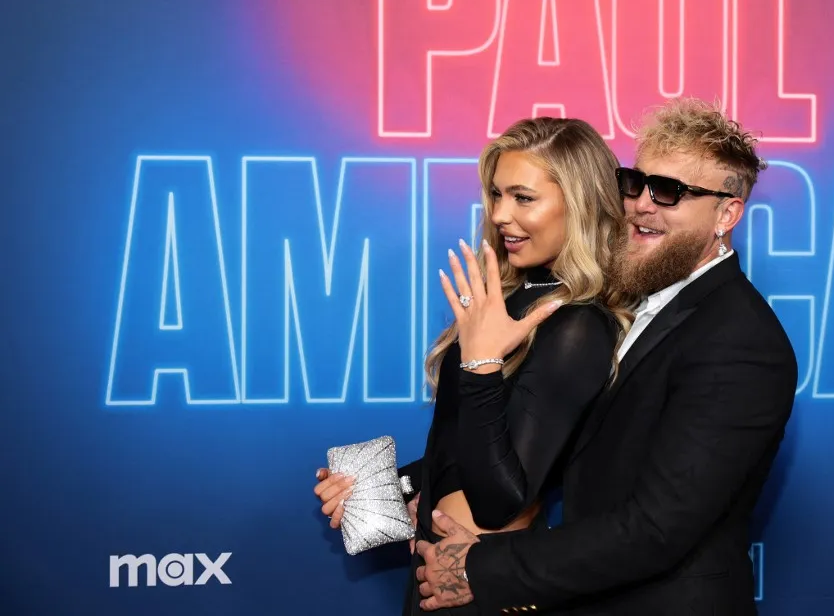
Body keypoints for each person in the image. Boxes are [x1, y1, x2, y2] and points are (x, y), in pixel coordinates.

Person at [414, 98, 799, 615]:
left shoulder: (741, 342)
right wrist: (400, 487)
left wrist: (481, 567)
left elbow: (656, 528)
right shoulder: (629, 298)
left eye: (669, 191)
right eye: (635, 182)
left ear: (726, 214)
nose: (641, 203)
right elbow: (549, 441)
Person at [313, 117, 634, 614]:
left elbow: (500, 499)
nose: (502, 215)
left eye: (524, 198)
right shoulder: (513, 299)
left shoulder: (577, 326)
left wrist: (482, 362)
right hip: (438, 576)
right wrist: (387, 486)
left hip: (484, 590)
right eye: (496, 194)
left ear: (582, 203)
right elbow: (468, 445)